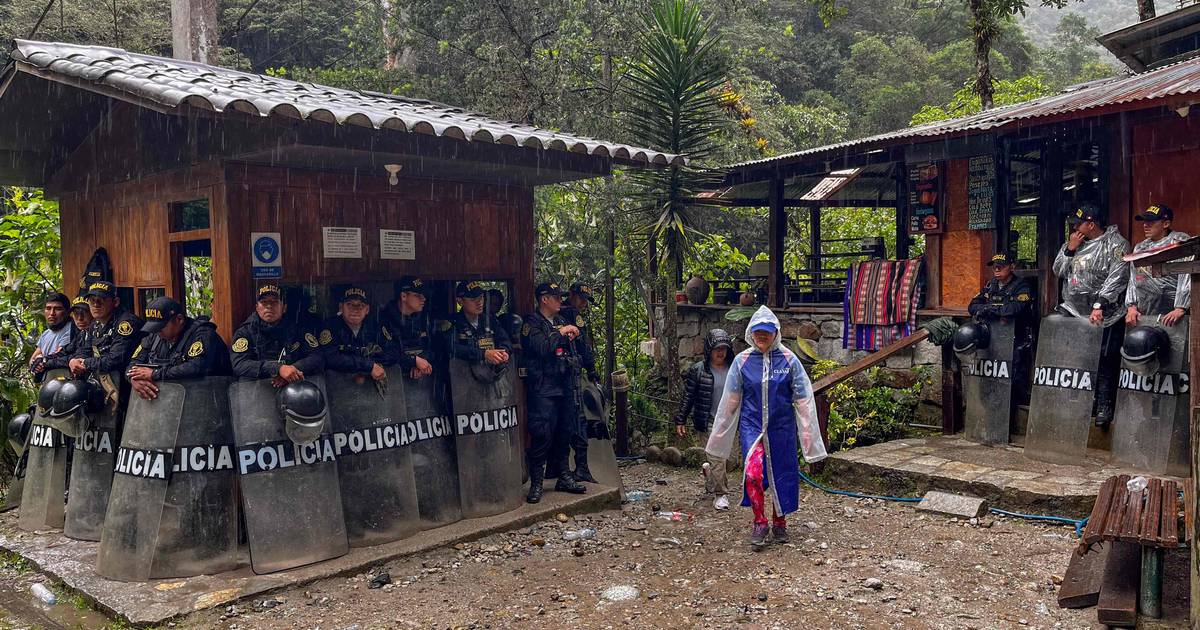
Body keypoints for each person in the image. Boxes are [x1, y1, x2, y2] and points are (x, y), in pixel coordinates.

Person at [705, 306, 827, 549]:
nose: (762, 336)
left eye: (767, 332)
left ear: (775, 333)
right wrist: (719, 436)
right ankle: (759, 521)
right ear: (751, 333)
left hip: (782, 429)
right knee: (753, 472)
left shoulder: (790, 360)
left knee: (782, 474)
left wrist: (809, 437)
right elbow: (730, 400)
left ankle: (779, 521)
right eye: (758, 332)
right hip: (753, 427)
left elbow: (803, 400)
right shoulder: (742, 361)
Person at [1052, 205, 1131, 426]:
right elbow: (1058, 270)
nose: (1074, 228)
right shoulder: (1075, 244)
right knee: (1079, 358)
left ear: (1091, 224)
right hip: (1076, 312)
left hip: (1106, 314)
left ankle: (1104, 406)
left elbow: (1117, 277)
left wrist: (1100, 304)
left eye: (1078, 224)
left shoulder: (1116, 244)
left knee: (1105, 359)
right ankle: (1080, 404)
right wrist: (1070, 249)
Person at [521, 282, 587, 503]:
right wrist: (561, 333)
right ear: (544, 299)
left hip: (564, 383)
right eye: (555, 297)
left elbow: (569, 348)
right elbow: (541, 347)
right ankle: (537, 482)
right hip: (543, 386)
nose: (560, 301)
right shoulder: (531, 323)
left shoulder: (560, 320)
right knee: (542, 433)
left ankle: (564, 475)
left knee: (564, 431)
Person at [125, 296, 231, 400]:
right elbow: (133, 363)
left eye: (161, 327)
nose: (157, 332)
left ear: (179, 319)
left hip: (205, 400)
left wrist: (155, 374)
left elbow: (196, 367)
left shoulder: (203, 334)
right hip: (168, 405)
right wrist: (133, 379)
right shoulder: (154, 336)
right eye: (154, 328)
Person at [675, 328, 735, 509]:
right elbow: (689, 396)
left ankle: (709, 474)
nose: (720, 352)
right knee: (717, 458)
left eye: (724, 348)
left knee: (726, 460)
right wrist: (681, 419)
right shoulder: (698, 370)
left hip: (729, 422)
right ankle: (721, 494)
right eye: (717, 348)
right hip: (707, 421)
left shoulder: (734, 369)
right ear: (709, 350)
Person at [43, 280, 143, 384]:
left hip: (127, 382)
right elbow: (84, 350)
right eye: (92, 300)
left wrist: (85, 363)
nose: (96, 305)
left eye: (101, 300)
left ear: (115, 302)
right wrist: (75, 361)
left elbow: (116, 360)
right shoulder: (95, 324)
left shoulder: (126, 323)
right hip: (105, 380)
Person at [550, 282, 601, 484]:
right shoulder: (569, 315)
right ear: (570, 295)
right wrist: (592, 368)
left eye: (586, 300)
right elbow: (582, 346)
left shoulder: (556, 314)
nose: (583, 303)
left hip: (557, 375)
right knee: (577, 419)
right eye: (581, 298)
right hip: (569, 374)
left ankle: (558, 467)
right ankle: (580, 467)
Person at [968, 253, 1037, 397]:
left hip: (1015, 339)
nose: (997, 270)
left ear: (1011, 267)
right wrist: (989, 309)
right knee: (988, 380)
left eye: (1001, 266)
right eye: (994, 267)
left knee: (1013, 381)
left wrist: (990, 309)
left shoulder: (1022, 286)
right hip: (992, 338)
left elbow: (1015, 309)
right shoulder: (990, 285)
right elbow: (973, 305)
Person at [230, 285, 324, 386]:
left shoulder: (298, 328)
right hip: (256, 392)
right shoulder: (245, 332)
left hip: (293, 390)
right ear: (257, 307)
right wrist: (278, 369)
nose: (269, 306)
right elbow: (239, 364)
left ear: (284, 307)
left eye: (274, 302)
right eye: (264, 302)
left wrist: (292, 371)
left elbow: (317, 357)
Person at [1125, 204, 1191, 327]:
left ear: (1165, 224)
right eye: (1145, 221)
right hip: (1143, 314)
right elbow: (1133, 280)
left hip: (1173, 314)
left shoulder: (1179, 242)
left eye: (1151, 222)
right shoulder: (1140, 247)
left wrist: (1181, 307)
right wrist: (1131, 306)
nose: (1145, 225)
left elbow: (1187, 276)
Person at [318, 285, 397, 380]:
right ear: (341, 307)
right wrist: (368, 365)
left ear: (367, 309)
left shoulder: (375, 326)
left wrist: (374, 364)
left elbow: (393, 352)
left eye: (361, 305)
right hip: (339, 384)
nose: (355, 309)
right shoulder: (330, 327)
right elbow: (331, 358)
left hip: (371, 383)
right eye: (349, 304)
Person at [382, 276, 438, 380]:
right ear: (403, 296)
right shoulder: (384, 319)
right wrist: (413, 361)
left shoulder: (424, 318)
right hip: (391, 381)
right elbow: (386, 354)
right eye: (418, 295)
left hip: (421, 384)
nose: (423, 299)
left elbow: (434, 348)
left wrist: (421, 361)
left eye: (424, 295)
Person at [447, 281, 511, 366]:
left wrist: (503, 352)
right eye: (473, 299)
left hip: (489, 374)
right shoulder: (453, 322)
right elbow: (451, 348)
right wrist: (483, 354)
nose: (479, 302)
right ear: (460, 301)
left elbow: (505, 340)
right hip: (461, 375)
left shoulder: (489, 320)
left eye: (481, 297)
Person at [29, 293, 74, 381]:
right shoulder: (46, 333)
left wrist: (41, 360)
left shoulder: (71, 329)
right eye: (48, 308)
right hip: (46, 380)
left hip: (62, 379)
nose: (52, 313)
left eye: (58, 309)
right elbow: (32, 359)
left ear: (67, 312)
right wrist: (37, 363)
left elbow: (59, 355)